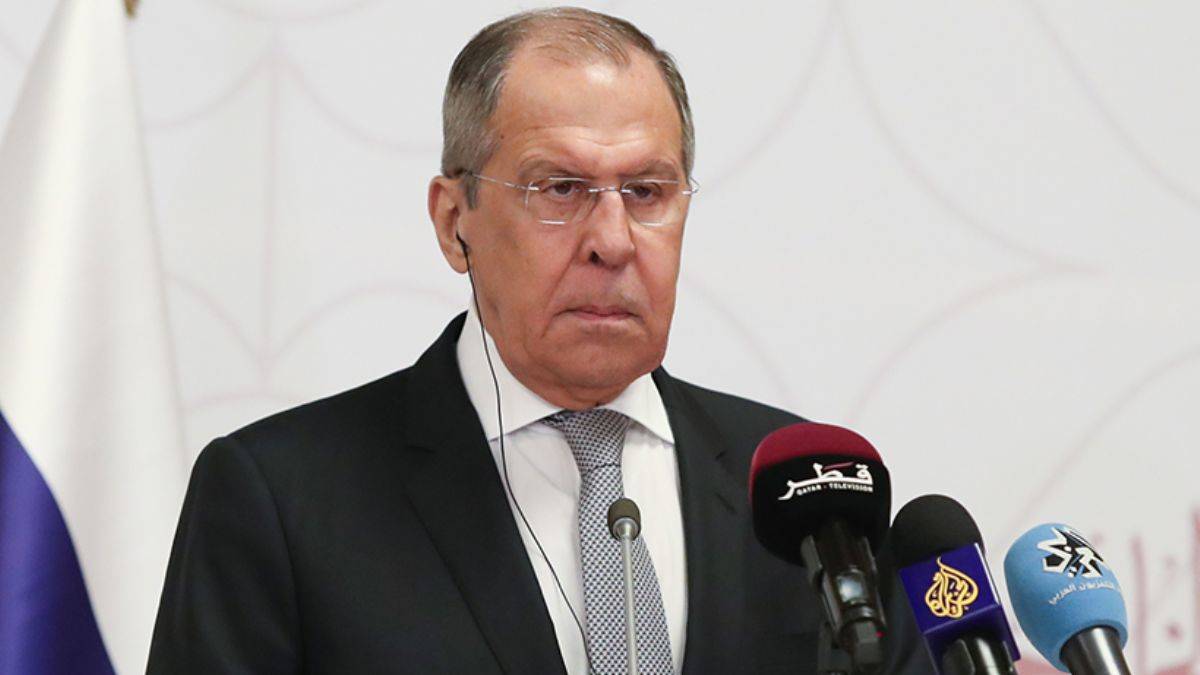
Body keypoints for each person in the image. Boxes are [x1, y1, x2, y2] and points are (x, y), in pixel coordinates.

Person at [148, 8, 929, 674]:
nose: (613, 240)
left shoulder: (812, 496)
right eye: (560, 188)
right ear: (454, 222)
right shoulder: (280, 501)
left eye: (646, 192)